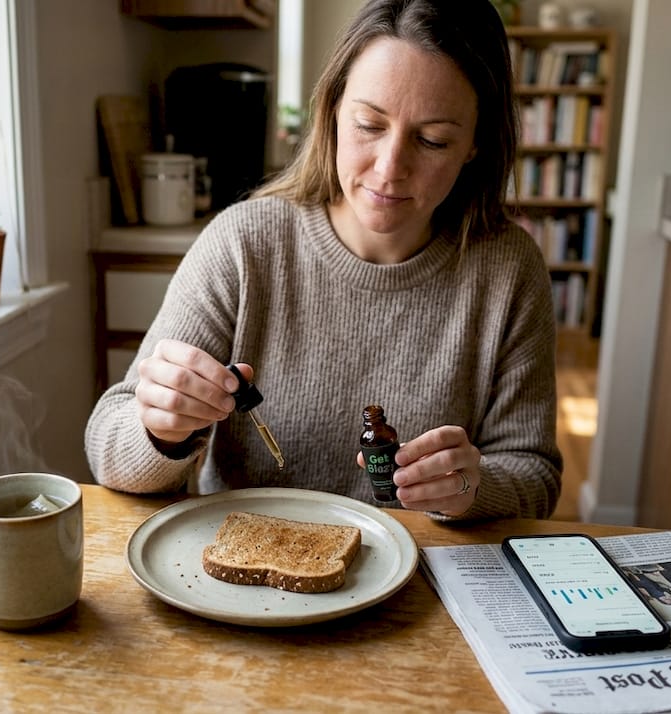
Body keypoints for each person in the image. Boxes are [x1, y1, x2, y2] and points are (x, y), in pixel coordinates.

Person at [85, 0, 562, 521]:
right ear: (332, 111)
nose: (389, 168)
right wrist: (161, 429)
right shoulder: (244, 244)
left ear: (474, 144)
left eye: (432, 140)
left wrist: (475, 488)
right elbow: (109, 449)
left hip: (422, 584)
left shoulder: (509, 270)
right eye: (368, 125)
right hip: (245, 585)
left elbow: (535, 476)